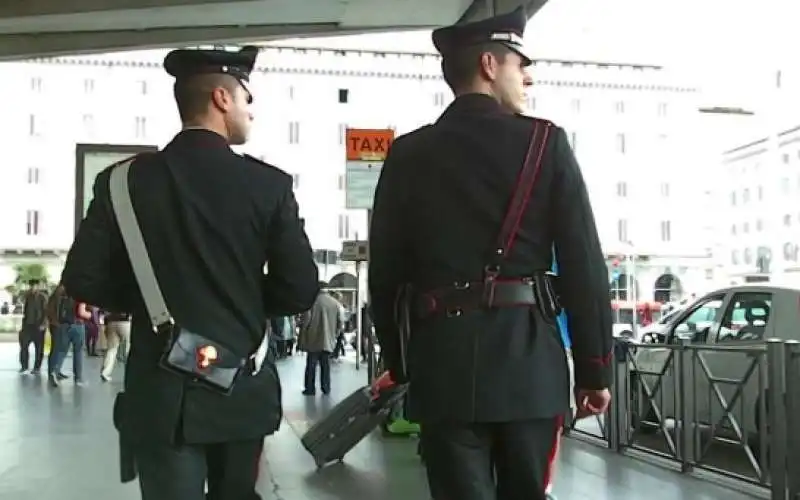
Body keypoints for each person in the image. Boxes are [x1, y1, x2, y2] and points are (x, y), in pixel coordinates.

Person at [367, 7, 613, 500]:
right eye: (519, 64)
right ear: (488, 64)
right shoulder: (546, 142)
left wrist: (402, 360)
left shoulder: (408, 153)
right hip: (528, 367)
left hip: (442, 365)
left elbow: (386, 275)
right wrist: (593, 370)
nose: (527, 76)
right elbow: (584, 263)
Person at [61, 45, 319, 500]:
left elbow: (82, 278)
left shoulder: (121, 181)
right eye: (247, 99)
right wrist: (245, 301)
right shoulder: (269, 185)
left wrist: (146, 296)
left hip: (161, 393)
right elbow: (298, 289)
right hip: (241, 387)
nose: (250, 112)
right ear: (222, 98)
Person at [297, 284, 341, 396]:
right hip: (328, 341)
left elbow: (306, 320)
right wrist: (334, 335)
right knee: (325, 365)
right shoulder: (335, 303)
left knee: (311, 366)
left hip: (313, 340)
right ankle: (326, 387)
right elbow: (340, 323)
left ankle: (310, 389)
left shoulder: (311, 303)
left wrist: (302, 336)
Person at [19, 278, 48, 374]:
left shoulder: (42, 297)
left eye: (34, 285)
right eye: (31, 285)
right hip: (27, 325)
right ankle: (24, 366)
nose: (32, 287)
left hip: (38, 326)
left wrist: (44, 324)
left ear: (38, 286)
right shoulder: (27, 296)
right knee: (24, 346)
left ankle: (37, 368)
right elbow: (21, 301)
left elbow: (46, 312)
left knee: (39, 348)